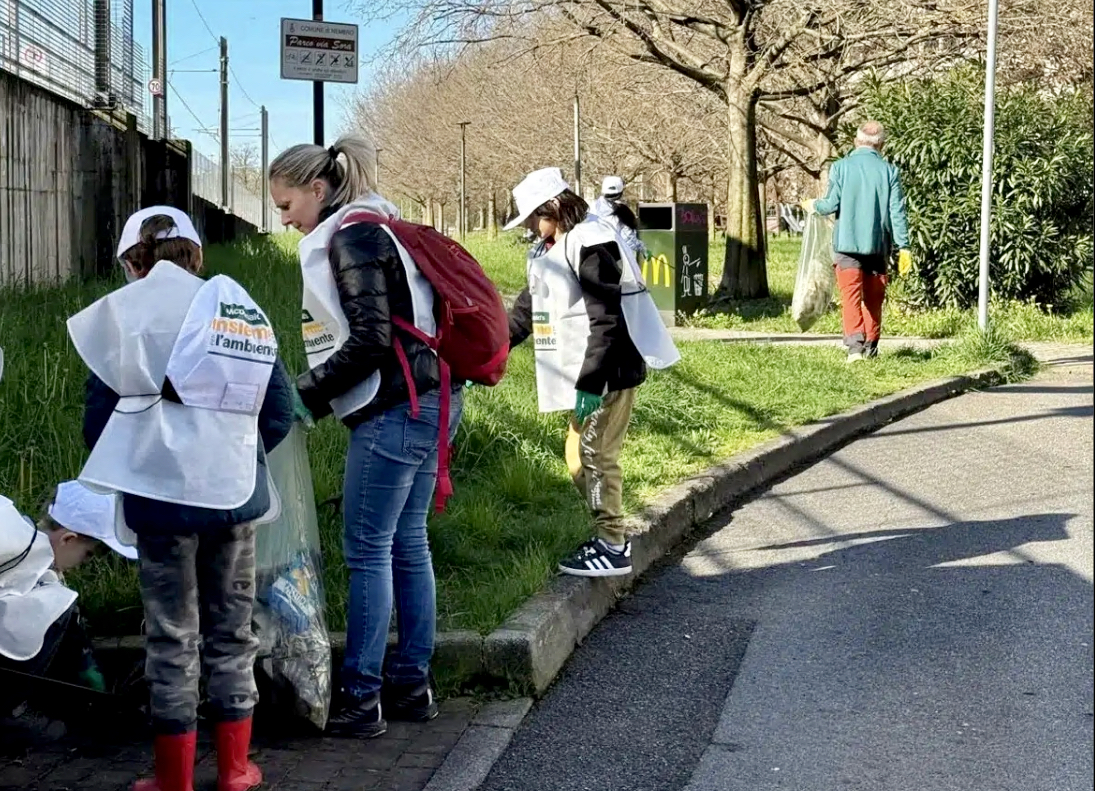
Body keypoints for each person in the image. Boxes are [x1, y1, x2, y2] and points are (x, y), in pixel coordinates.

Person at [72, 206, 294, 791]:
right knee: (232, 630)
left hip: (158, 507)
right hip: (233, 502)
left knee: (170, 635)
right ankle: (235, 770)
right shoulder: (235, 307)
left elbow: (99, 425)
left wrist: (150, 463)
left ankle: (173, 779)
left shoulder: (121, 320)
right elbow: (275, 412)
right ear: (197, 254)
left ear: (130, 262)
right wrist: (230, 457)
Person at [268, 137, 463, 739]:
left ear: (317, 190)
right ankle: (412, 686)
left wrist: (305, 391)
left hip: (393, 412)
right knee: (409, 546)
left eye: (286, 203)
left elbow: (370, 340)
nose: (283, 216)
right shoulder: (383, 223)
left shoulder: (350, 238)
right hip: (434, 400)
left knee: (369, 552)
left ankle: (360, 698)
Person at [504, 167, 679, 578]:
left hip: (607, 372)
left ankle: (613, 544)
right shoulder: (551, 247)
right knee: (577, 456)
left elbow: (607, 319)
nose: (530, 226)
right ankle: (608, 530)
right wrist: (489, 353)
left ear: (554, 207)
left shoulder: (592, 242)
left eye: (534, 216)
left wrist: (591, 383)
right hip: (585, 373)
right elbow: (526, 314)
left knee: (595, 455)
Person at [1, 482, 135, 712]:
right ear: (68, 539)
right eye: (87, 555)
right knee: (56, 607)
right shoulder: (11, 538)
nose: (82, 564)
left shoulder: (27, 551)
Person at [804, 121, 912, 363]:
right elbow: (897, 213)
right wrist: (904, 246)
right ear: (881, 145)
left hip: (846, 246)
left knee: (851, 297)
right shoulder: (890, 172)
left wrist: (813, 205)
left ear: (856, 142)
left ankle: (855, 349)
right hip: (878, 247)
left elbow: (830, 204)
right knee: (873, 299)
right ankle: (871, 347)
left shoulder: (841, 167)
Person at [590, 176, 646, 258]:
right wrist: (642, 248)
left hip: (593, 256)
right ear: (621, 192)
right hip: (615, 258)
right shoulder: (622, 211)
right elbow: (628, 239)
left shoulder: (591, 208)